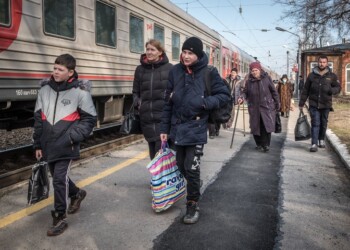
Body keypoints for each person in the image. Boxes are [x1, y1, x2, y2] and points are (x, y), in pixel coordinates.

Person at [160, 37, 230, 224]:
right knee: (181, 164)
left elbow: (224, 95)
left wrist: (205, 102)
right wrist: (163, 128)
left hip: (197, 127)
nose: (186, 56)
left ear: (198, 55)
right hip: (178, 127)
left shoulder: (209, 73)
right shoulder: (175, 72)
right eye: (184, 52)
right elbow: (167, 103)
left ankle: (192, 204)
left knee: (192, 167)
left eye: (190, 53)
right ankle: (194, 186)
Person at [33, 54, 97, 236]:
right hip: (48, 144)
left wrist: (72, 136)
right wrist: (37, 144)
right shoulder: (44, 91)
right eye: (54, 68)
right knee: (58, 177)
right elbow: (38, 119)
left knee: (59, 179)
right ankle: (76, 194)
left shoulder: (80, 93)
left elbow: (90, 119)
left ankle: (59, 217)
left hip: (67, 144)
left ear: (70, 73)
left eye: (60, 70)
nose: (55, 72)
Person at [132, 39, 173, 159]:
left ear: (160, 52)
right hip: (147, 118)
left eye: (152, 49)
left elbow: (174, 91)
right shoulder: (140, 70)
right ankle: (159, 177)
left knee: (160, 152)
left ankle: (160, 177)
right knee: (152, 151)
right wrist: (138, 103)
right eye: (147, 49)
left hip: (163, 117)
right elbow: (135, 91)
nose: (149, 52)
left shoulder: (170, 68)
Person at [299, 55, 341, 152]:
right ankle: (314, 143)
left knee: (323, 123)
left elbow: (338, 88)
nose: (322, 64)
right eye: (320, 62)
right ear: (318, 63)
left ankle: (321, 139)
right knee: (315, 123)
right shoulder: (312, 75)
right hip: (314, 104)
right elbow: (305, 90)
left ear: (327, 63)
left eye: (324, 62)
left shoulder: (332, 76)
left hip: (326, 104)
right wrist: (301, 103)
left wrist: (332, 90)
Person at [237, 61, 280, 152]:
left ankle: (266, 145)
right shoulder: (249, 82)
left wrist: (277, 103)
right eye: (252, 71)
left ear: (260, 70)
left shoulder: (267, 79)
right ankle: (259, 144)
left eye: (256, 70)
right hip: (254, 107)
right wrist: (241, 97)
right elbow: (245, 92)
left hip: (267, 107)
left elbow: (274, 92)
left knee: (266, 126)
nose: (254, 72)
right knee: (255, 126)